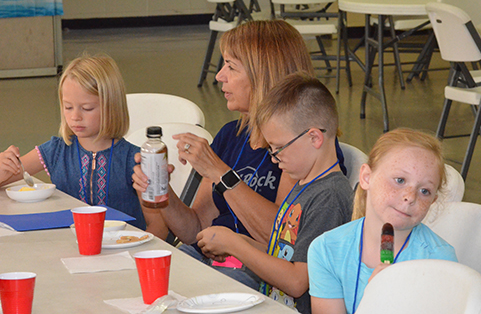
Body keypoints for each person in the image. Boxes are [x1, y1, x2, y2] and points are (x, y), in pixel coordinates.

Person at [132, 19, 347, 289]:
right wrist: (162, 192)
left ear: (263, 75)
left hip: (258, 275)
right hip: (214, 262)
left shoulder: (299, 149)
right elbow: (195, 230)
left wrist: (222, 174)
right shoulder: (231, 134)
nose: (220, 76)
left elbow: (283, 239)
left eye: (231, 67)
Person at [196, 73, 353, 314]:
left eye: (280, 148)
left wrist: (236, 245)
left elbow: (297, 281)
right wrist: (234, 241)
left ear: (314, 137)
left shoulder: (328, 197)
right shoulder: (303, 184)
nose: (274, 157)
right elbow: (282, 255)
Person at [0, 54, 166, 239]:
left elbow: (158, 227)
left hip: (123, 254)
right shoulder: (55, 151)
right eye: (68, 107)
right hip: (69, 249)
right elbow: (8, 176)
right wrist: (3, 166)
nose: (75, 117)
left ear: (112, 107)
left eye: (86, 108)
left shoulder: (134, 160)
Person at [307, 128, 458, 314]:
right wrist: (373, 300)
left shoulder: (439, 261)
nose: (410, 197)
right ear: (366, 177)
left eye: (424, 191)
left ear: (433, 201)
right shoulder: (326, 250)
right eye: (400, 180)